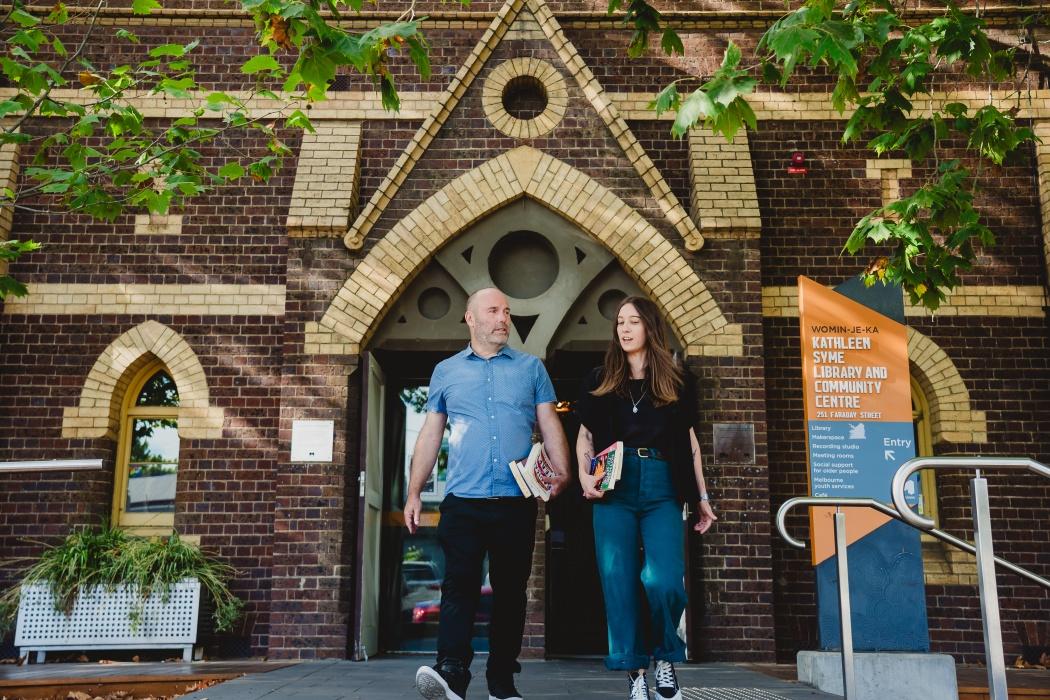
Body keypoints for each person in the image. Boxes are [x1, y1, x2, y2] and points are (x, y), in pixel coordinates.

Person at [405, 287, 571, 700]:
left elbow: (550, 424)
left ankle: (501, 681)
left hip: (516, 502)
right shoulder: (446, 371)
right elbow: (430, 434)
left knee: (511, 593)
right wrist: (413, 492)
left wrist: (563, 471)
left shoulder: (531, 368)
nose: (503, 318)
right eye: (493, 311)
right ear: (471, 319)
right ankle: (452, 674)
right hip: (463, 500)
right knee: (458, 586)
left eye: (507, 311)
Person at [574, 296, 717, 700]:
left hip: (662, 484)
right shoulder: (599, 380)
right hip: (613, 487)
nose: (624, 328)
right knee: (617, 580)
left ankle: (665, 656)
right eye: (620, 321)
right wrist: (586, 475)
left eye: (633, 321)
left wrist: (702, 496)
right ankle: (635, 671)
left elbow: (691, 444)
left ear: (650, 327)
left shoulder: (677, 380)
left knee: (664, 580)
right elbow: (585, 435)